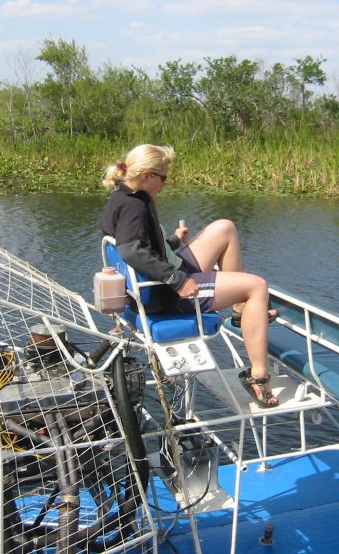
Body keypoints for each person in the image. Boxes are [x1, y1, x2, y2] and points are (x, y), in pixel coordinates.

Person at [100, 144, 279, 408]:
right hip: (167, 293)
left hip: (168, 271)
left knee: (224, 228)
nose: (165, 184)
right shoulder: (133, 206)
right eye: (164, 178)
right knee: (257, 286)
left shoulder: (123, 195)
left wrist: (173, 240)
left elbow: (145, 245)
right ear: (147, 175)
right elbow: (132, 250)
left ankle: (240, 309)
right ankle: (258, 377)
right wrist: (178, 281)